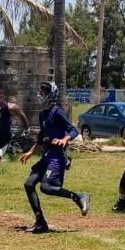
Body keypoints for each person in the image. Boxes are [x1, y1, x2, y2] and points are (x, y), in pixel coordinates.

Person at [19, 82, 90, 233]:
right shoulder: (42, 113)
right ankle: (40, 223)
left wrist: (65, 140)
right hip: (46, 155)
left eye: (43, 92)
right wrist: (31, 151)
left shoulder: (57, 112)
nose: (40, 94)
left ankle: (78, 196)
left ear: (51, 95)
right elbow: (42, 134)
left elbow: (73, 130)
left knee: (47, 187)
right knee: (29, 184)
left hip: (57, 156)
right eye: (40, 91)